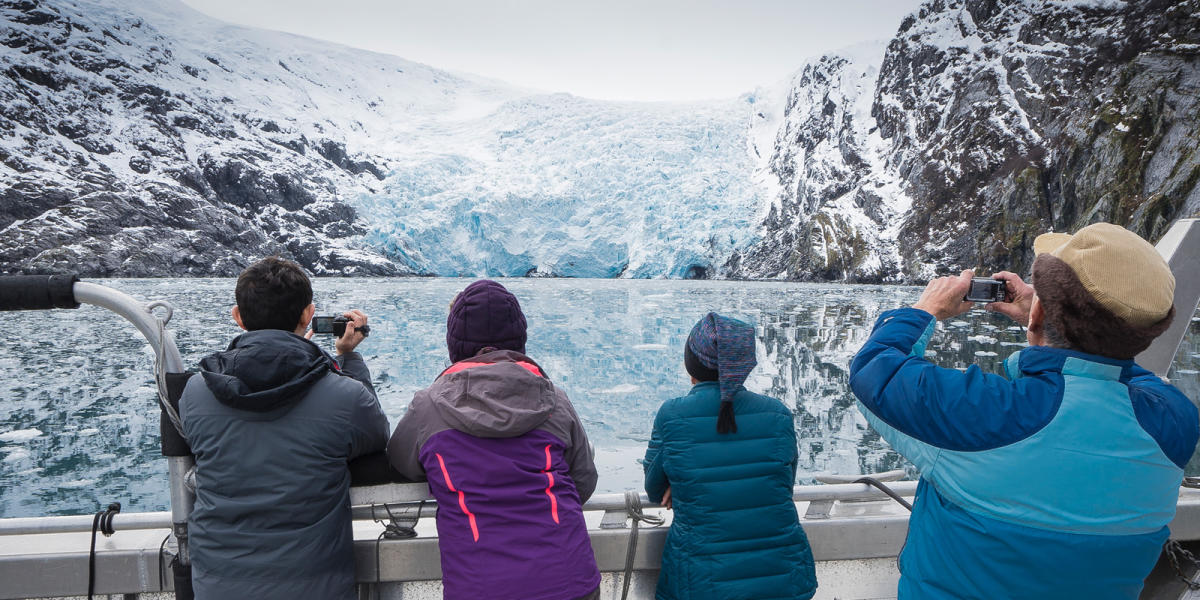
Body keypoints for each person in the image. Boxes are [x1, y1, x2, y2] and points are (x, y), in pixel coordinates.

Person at [849, 223, 1199, 599]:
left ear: (1039, 312)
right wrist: (1050, 321)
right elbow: (1120, 370)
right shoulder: (1174, 424)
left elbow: (874, 371)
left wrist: (926, 309)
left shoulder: (986, 416)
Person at [179, 256, 389, 600]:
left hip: (219, 588)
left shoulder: (196, 393)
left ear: (238, 316)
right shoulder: (344, 395)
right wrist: (348, 358)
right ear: (308, 315)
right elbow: (376, 434)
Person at [386, 279, 600, 600]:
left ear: (454, 343)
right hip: (569, 580)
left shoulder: (427, 408)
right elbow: (583, 481)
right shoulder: (554, 401)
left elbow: (401, 462)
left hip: (481, 587)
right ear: (519, 339)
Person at [644, 312, 817, 600]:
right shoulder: (777, 414)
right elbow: (780, 485)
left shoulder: (673, 415)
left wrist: (681, 483)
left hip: (700, 583)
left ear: (691, 363)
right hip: (782, 578)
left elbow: (653, 490)